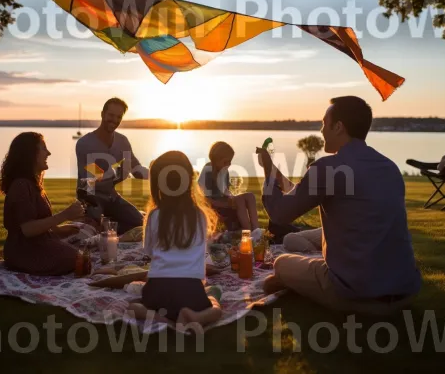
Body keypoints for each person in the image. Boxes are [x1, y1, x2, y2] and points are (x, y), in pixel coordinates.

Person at [258, 96, 422, 315]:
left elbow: (279, 214)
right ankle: (305, 277)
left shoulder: (329, 167)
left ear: (338, 127)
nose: (321, 130)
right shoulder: (389, 167)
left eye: (324, 124)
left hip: (357, 295)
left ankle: (300, 280)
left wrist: (268, 172)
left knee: (281, 263)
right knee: (307, 237)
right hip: (404, 292)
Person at [119, 151, 222, 332]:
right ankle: (196, 316)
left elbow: (149, 251)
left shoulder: (154, 215)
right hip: (191, 290)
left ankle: (164, 320)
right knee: (215, 305)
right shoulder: (200, 216)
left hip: (158, 289)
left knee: (133, 307)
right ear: (190, 180)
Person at [0, 132, 85, 276]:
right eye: (43, 148)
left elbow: (41, 224)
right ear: (30, 154)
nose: (49, 153)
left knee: (82, 248)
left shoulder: (32, 185)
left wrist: (65, 230)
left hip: (37, 244)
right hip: (24, 252)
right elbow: (28, 229)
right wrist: (65, 215)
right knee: (79, 259)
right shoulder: (21, 186)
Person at [76, 97, 149, 234]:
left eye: (118, 117)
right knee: (91, 231)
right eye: (111, 115)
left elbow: (136, 168)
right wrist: (119, 175)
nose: (114, 120)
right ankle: (104, 227)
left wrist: (158, 172)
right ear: (103, 114)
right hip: (91, 198)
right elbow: (92, 180)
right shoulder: (84, 144)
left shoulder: (122, 141)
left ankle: (108, 226)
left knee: (141, 225)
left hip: (112, 197)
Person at [198, 141, 259, 230]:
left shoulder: (224, 171)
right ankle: (248, 232)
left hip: (222, 203)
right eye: (226, 161)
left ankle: (256, 230)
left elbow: (225, 190)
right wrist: (221, 204)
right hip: (212, 205)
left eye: (230, 161)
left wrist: (231, 197)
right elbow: (201, 198)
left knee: (250, 196)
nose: (229, 164)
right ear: (216, 160)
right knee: (239, 201)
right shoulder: (208, 170)